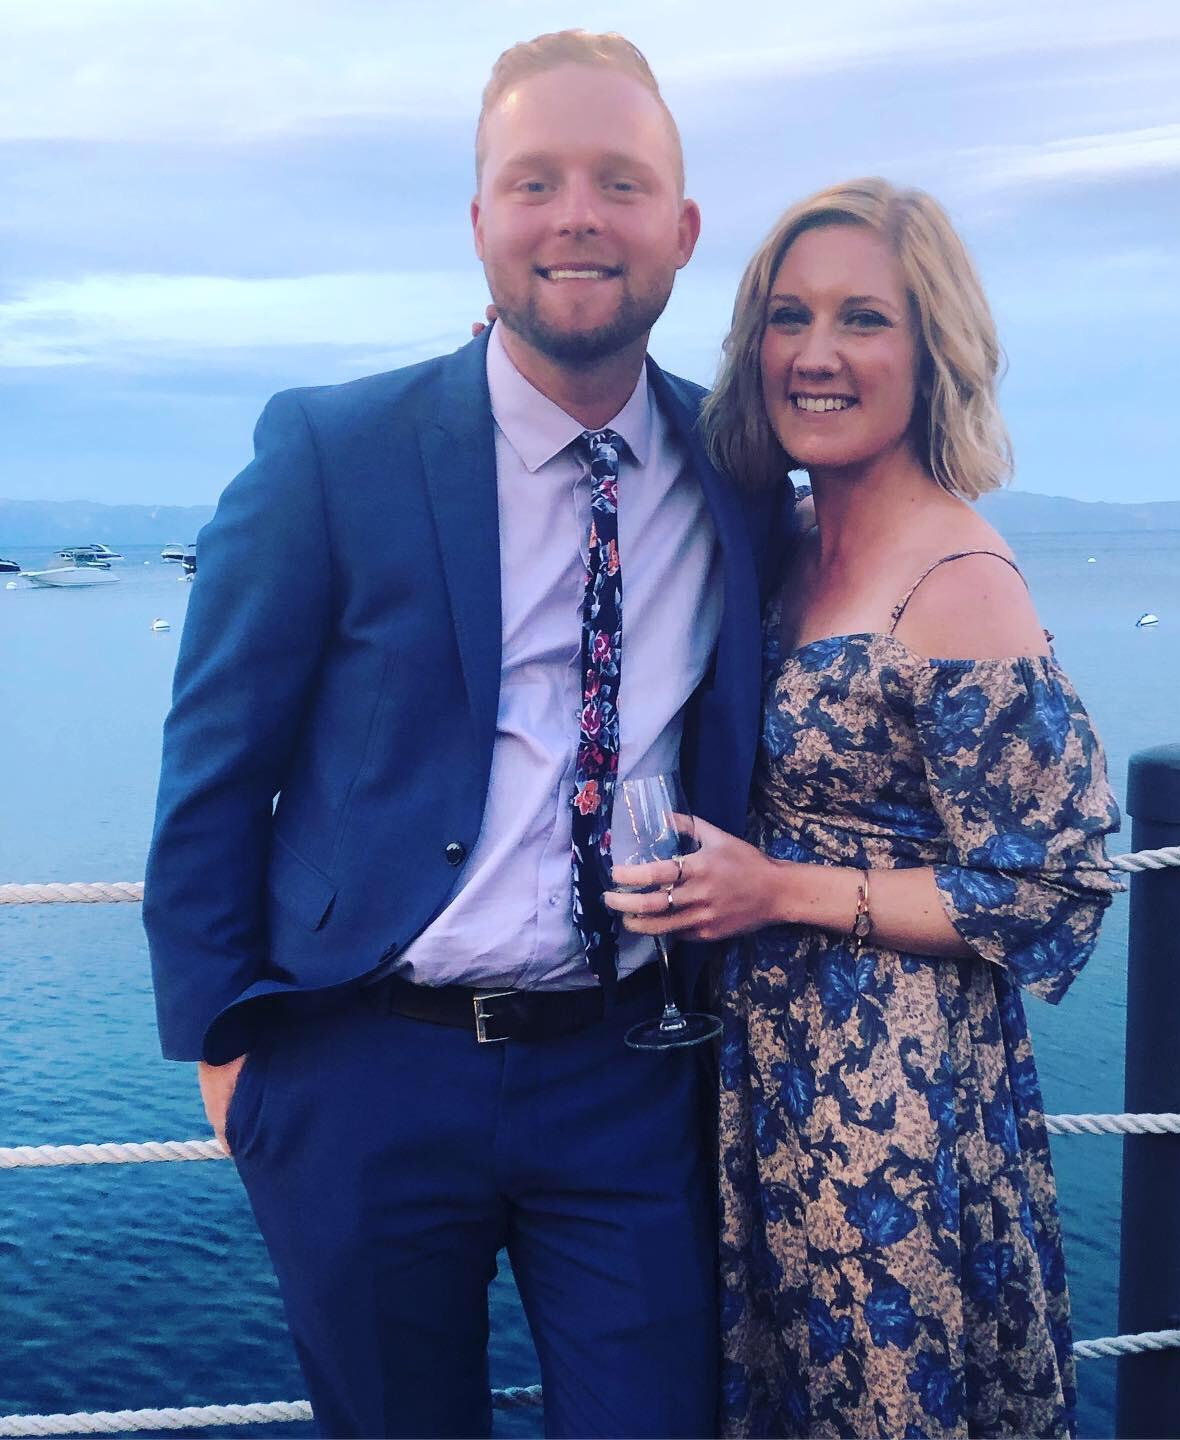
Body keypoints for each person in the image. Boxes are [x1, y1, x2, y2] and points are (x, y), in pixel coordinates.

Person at [143, 30, 790, 1439]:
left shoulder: (736, 472)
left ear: (682, 230)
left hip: (628, 1073)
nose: (577, 216)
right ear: (479, 219)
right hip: (365, 1067)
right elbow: (214, 770)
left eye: (620, 182)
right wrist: (227, 1053)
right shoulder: (333, 452)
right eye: (534, 181)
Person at [604, 178, 1124, 1438]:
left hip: (891, 1099)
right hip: (762, 1066)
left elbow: (1055, 886)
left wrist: (777, 891)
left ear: (933, 352)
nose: (817, 354)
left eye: (864, 319)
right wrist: (528, 363)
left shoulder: (959, 578)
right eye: (788, 317)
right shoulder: (782, 536)